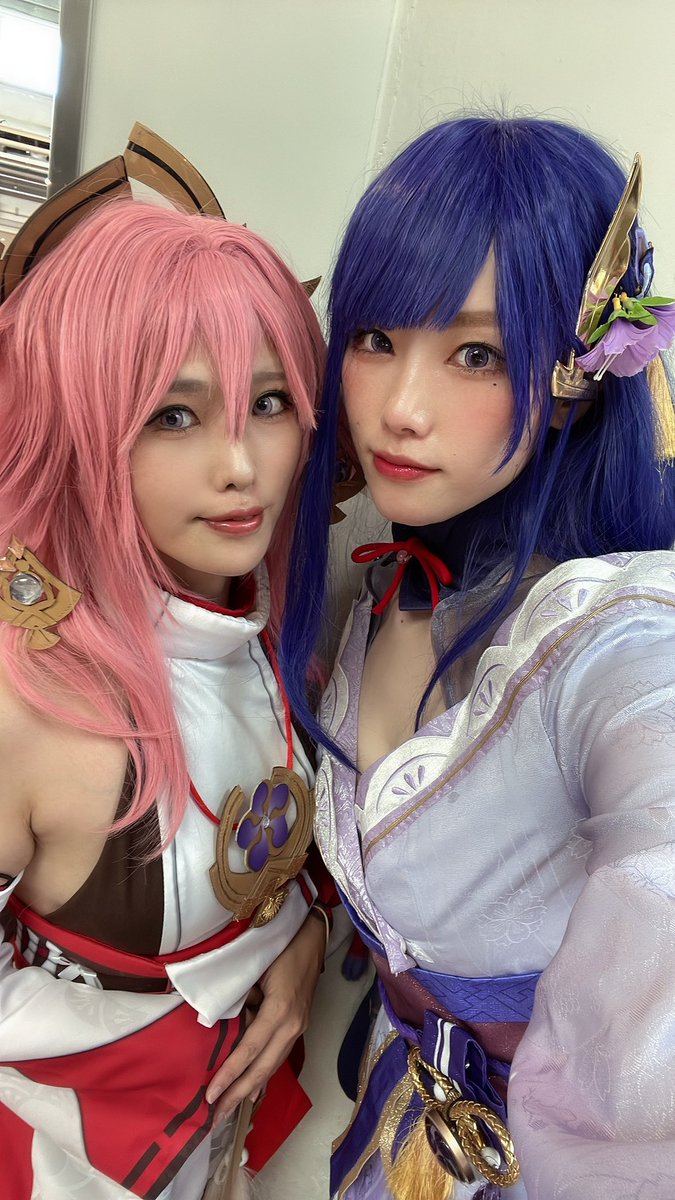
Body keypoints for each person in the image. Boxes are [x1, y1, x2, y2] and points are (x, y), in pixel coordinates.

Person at [282, 115, 675, 1199]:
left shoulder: (615, 641)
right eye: (375, 338)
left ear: (578, 377)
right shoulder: (385, 580)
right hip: (389, 1106)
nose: (400, 410)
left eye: (476, 354)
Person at [0, 128, 329, 1199]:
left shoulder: (261, 615)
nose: (240, 466)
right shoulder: (21, 694)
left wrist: (299, 940)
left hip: (212, 1147)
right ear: (79, 424)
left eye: (268, 404)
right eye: (174, 415)